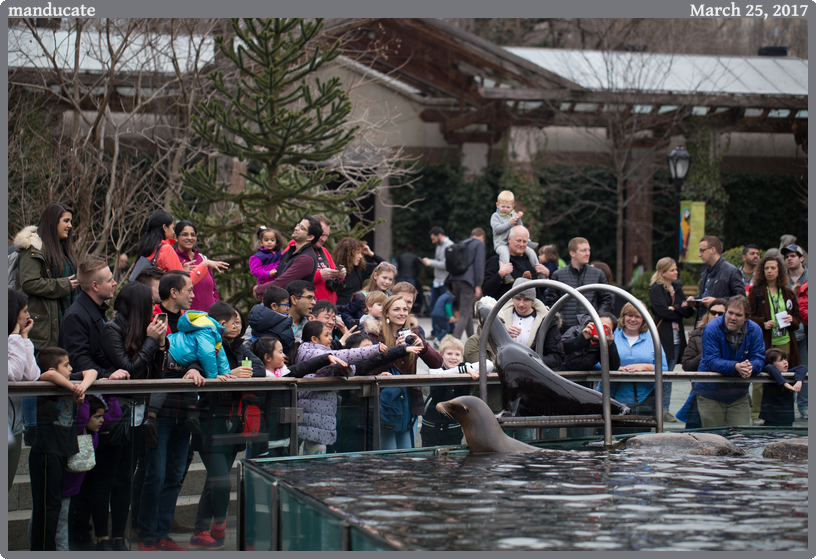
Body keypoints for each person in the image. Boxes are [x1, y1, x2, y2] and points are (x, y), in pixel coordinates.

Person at [97, 282, 168, 551]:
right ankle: (103, 538)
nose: (154, 310)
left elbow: (158, 376)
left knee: (126, 477)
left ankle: (119, 537)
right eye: (150, 305)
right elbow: (128, 371)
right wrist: (151, 341)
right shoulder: (112, 330)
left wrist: (160, 346)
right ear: (138, 306)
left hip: (138, 412)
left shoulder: (141, 332)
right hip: (116, 412)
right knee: (108, 476)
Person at [137, 271, 204, 551]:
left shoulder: (195, 321)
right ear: (173, 293)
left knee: (175, 474)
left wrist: (195, 367)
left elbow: (206, 355)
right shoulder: (153, 320)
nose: (192, 293)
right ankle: (146, 535)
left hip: (185, 407)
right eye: (188, 289)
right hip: (159, 411)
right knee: (156, 474)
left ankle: (162, 533)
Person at [188, 302, 264, 549]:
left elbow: (260, 370)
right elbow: (198, 373)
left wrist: (245, 371)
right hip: (209, 421)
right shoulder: (205, 344)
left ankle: (200, 532)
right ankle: (218, 527)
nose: (235, 325)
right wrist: (231, 373)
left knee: (214, 480)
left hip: (235, 423)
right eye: (230, 321)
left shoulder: (243, 347)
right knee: (221, 481)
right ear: (216, 323)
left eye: (238, 321)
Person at [27, 347, 96, 550]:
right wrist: (71, 387)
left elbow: (91, 372)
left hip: (60, 452)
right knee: (47, 508)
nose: (71, 368)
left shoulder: (70, 381)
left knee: (55, 506)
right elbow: (48, 374)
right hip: (46, 452)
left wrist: (80, 387)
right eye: (66, 365)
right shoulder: (47, 381)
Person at [294, 320, 391, 454]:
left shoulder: (326, 352)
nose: (331, 338)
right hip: (313, 418)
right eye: (327, 335)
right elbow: (342, 355)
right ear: (314, 339)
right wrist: (374, 349)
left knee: (318, 458)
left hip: (322, 417)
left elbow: (349, 366)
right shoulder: (308, 351)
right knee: (315, 460)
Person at [367, 295, 443, 449]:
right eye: (396, 309)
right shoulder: (375, 336)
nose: (402, 313)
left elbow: (437, 363)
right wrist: (397, 351)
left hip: (409, 401)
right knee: (389, 454)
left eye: (405, 309)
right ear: (386, 313)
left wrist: (423, 348)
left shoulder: (412, 333)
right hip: (386, 402)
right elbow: (369, 367)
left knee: (407, 454)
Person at [13, 201, 80, 349]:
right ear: (52, 222)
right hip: (45, 327)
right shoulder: (34, 247)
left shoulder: (63, 247)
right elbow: (29, 282)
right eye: (66, 221)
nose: (70, 225)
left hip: (67, 319)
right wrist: (63, 285)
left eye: (70, 221)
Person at [57, 395, 120, 551]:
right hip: (62, 486)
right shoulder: (78, 428)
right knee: (60, 520)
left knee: (63, 519)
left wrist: (109, 393)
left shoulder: (95, 428)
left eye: (101, 416)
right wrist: (83, 394)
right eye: (97, 416)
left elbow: (115, 414)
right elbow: (84, 415)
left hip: (74, 486)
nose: (101, 420)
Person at [747, 254, 801, 424]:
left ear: (779, 270)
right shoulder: (755, 291)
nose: (770, 271)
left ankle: (784, 413)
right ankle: (756, 415)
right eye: (766, 268)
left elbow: (798, 319)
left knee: (785, 377)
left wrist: (792, 320)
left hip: (785, 343)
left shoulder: (788, 292)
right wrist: (763, 323)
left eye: (773, 268)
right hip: (764, 343)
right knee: (760, 380)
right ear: (762, 271)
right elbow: (749, 318)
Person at [697, 296, 766, 428]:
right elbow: (711, 361)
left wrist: (750, 367)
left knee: (742, 438)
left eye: (738, 315)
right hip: (710, 393)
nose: (733, 318)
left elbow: (759, 357)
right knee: (714, 439)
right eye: (730, 313)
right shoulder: (712, 327)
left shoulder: (755, 330)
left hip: (739, 394)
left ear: (746, 318)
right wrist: (735, 367)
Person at [601, 302, 668, 435]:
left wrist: (644, 367)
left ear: (643, 319)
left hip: (644, 399)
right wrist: (615, 368)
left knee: (640, 440)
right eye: (629, 315)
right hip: (611, 398)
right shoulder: (612, 334)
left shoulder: (652, 337)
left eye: (638, 316)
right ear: (623, 316)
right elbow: (595, 362)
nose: (633, 319)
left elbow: (664, 368)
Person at [58, 259, 122, 382]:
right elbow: (78, 361)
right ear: (95, 286)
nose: (114, 283)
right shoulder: (75, 317)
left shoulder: (95, 309)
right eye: (109, 280)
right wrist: (108, 375)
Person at [420, 336, 491, 447]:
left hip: (453, 426)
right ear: (440, 355)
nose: (453, 358)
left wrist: (467, 367)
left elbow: (489, 364)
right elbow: (440, 375)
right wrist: (462, 369)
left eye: (457, 355)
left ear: (462, 357)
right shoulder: (435, 368)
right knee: (430, 460)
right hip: (431, 425)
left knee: (453, 460)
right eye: (449, 354)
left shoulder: (465, 367)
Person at [648, 257, 695, 422]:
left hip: (677, 337)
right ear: (663, 272)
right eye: (673, 270)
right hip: (663, 335)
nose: (676, 272)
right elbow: (662, 311)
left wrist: (675, 308)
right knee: (663, 372)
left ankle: (664, 408)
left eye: (676, 269)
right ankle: (658, 408)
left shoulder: (676, 287)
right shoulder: (656, 288)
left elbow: (689, 311)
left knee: (669, 372)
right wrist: (679, 309)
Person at [676, 298, 727, 429]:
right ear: (707, 313)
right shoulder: (696, 336)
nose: (716, 316)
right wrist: (707, 354)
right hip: (700, 393)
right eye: (713, 312)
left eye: (721, 314)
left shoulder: (735, 336)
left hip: (727, 394)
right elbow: (686, 365)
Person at [545, 237, 613, 333]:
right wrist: (558, 324)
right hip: (564, 330)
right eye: (583, 250)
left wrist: (597, 318)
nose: (588, 253)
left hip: (590, 329)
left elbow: (606, 299)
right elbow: (551, 303)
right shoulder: (558, 275)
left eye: (589, 250)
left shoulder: (598, 274)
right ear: (572, 253)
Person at [136, 211, 226, 283]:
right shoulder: (165, 249)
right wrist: (204, 264)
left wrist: (181, 270)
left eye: (193, 235)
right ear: (164, 227)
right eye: (172, 227)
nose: (173, 232)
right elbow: (184, 282)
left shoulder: (147, 248)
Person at [8, 289, 40, 491]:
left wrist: (24, 337)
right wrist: (14, 337)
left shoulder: (16, 341)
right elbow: (12, 374)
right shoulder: (12, 341)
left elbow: (32, 375)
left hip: (15, 427)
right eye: (25, 311)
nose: (28, 316)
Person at [497, 277, 564, 370]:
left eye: (526, 300)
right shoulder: (499, 317)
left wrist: (530, 360)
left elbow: (557, 357)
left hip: (534, 374)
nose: (521, 304)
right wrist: (501, 334)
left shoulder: (547, 321)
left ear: (533, 300)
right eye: (517, 299)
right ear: (512, 298)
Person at [483, 225, 549, 302]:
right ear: (509, 239)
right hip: (505, 311)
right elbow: (486, 292)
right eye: (518, 240)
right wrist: (500, 274)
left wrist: (547, 275)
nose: (521, 244)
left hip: (531, 312)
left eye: (524, 241)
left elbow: (540, 292)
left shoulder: (530, 261)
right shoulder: (496, 261)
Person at [782, 243, 808, 420]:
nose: (789, 258)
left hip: (806, 332)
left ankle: (805, 406)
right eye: (787, 256)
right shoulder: (781, 279)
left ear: (801, 258)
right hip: (785, 332)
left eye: (793, 255)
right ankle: (786, 407)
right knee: (785, 368)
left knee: (805, 370)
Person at [490, 190, 539, 280]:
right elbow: (497, 229)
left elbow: (519, 227)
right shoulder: (495, 216)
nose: (505, 209)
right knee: (505, 254)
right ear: (497, 205)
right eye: (503, 206)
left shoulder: (513, 214)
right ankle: (506, 275)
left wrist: (518, 218)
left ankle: (538, 270)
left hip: (513, 242)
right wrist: (509, 223)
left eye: (508, 207)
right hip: (501, 244)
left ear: (512, 207)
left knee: (531, 252)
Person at [693, 235, 744, 321]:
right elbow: (707, 295)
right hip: (703, 323)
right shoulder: (705, 270)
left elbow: (741, 298)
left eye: (702, 251)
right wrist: (695, 300)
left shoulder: (731, 271)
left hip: (720, 324)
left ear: (713, 250)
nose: (699, 255)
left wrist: (717, 302)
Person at [447, 228, 486, 340]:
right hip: (467, 282)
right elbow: (479, 264)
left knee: (467, 310)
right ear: (482, 237)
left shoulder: (462, 243)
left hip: (455, 280)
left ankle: (472, 339)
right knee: (464, 313)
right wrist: (478, 284)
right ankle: (453, 341)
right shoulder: (479, 244)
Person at [175, 220, 221, 312]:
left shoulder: (203, 259)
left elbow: (214, 289)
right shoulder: (173, 259)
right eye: (185, 234)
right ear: (176, 237)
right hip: (189, 319)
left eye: (193, 235)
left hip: (211, 318)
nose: (189, 238)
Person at [759, 348, 807, 427]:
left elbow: (803, 368)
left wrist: (799, 381)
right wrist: (785, 384)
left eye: (785, 359)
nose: (785, 362)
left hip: (787, 419)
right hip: (771, 419)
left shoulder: (789, 373)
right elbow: (770, 368)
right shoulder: (769, 372)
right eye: (780, 360)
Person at [333, 237, 386, 308]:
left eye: (361, 253)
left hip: (355, 310)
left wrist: (371, 254)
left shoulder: (360, 269)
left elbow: (386, 267)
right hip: (338, 309)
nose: (361, 256)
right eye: (358, 253)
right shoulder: (333, 268)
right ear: (348, 254)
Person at [271, 216, 323, 288]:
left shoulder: (306, 259)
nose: (296, 228)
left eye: (302, 228)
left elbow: (282, 283)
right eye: (298, 225)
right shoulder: (288, 253)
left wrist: (258, 289)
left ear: (310, 237)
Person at [341, 262, 396, 328]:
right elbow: (346, 312)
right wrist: (357, 327)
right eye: (384, 278)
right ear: (375, 276)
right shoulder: (361, 296)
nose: (387, 282)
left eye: (390, 279)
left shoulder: (390, 297)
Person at [248, 285, 295, 352]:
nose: (288, 308)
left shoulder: (256, 320)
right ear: (274, 306)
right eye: (286, 304)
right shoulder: (283, 322)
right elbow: (289, 344)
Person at [310, 215, 346, 304]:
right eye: (322, 235)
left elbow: (334, 274)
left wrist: (340, 275)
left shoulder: (324, 251)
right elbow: (293, 279)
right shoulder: (296, 250)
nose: (324, 239)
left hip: (328, 308)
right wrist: (319, 275)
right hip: (311, 307)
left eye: (326, 236)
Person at [421, 226, 454, 313]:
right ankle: (436, 327)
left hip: (445, 281)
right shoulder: (438, 245)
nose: (433, 242)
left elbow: (447, 264)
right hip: (436, 281)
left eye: (434, 239)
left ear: (439, 235)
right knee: (433, 306)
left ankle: (447, 327)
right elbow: (438, 261)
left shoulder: (450, 245)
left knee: (445, 307)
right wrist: (429, 261)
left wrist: (430, 263)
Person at [248, 225, 285, 299]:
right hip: (265, 283)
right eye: (266, 240)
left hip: (277, 282)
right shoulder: (257, 257)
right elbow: (255, 271)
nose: (269, 242)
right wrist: (268, 274)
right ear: (261, 243)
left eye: (272, 240)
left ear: (276, 242)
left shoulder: (279, 254)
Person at [797, 280, 808, 420]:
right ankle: (804, 405)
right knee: (804, 369)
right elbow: (803, 309)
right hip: (805, 334)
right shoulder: (806, 287)